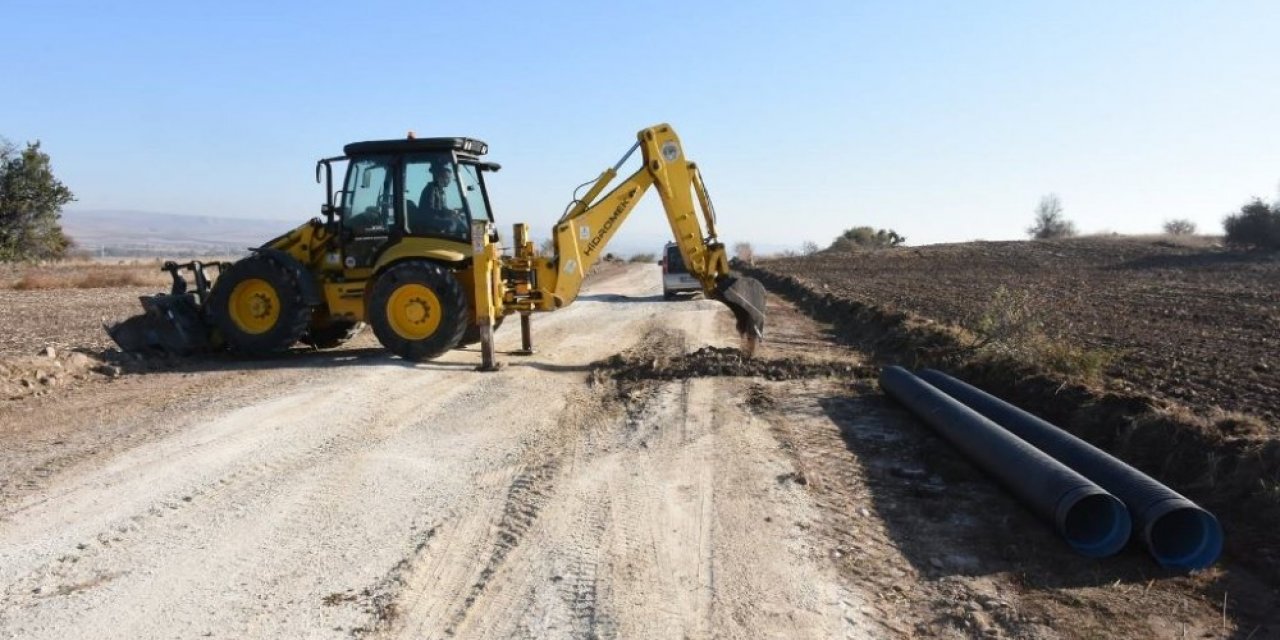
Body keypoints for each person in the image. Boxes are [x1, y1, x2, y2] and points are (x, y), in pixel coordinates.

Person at [413, 162, 464, 236]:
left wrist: (452, 211)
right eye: (448, 178)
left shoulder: (440, 191)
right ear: (440, 177)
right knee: (451, 223)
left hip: (436, 218)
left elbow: (443, 208)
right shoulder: (431, 189)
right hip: (428, 221)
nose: (449, 180)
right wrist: (446, 213)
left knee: (462, 219)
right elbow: (428, 210)